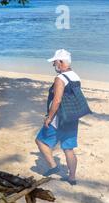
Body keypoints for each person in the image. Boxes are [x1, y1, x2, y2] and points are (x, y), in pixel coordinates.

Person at [35, 49, 81, 185]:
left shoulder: (60, 79)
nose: (53, 65)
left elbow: (57, 101)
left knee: (40, 141)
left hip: (59, 119)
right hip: (72, 118)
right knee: (68, 148)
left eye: (55, 62)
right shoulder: (75, 76)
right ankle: (72, 178)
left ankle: (53, 166)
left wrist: (49, 118)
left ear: (61, 62)